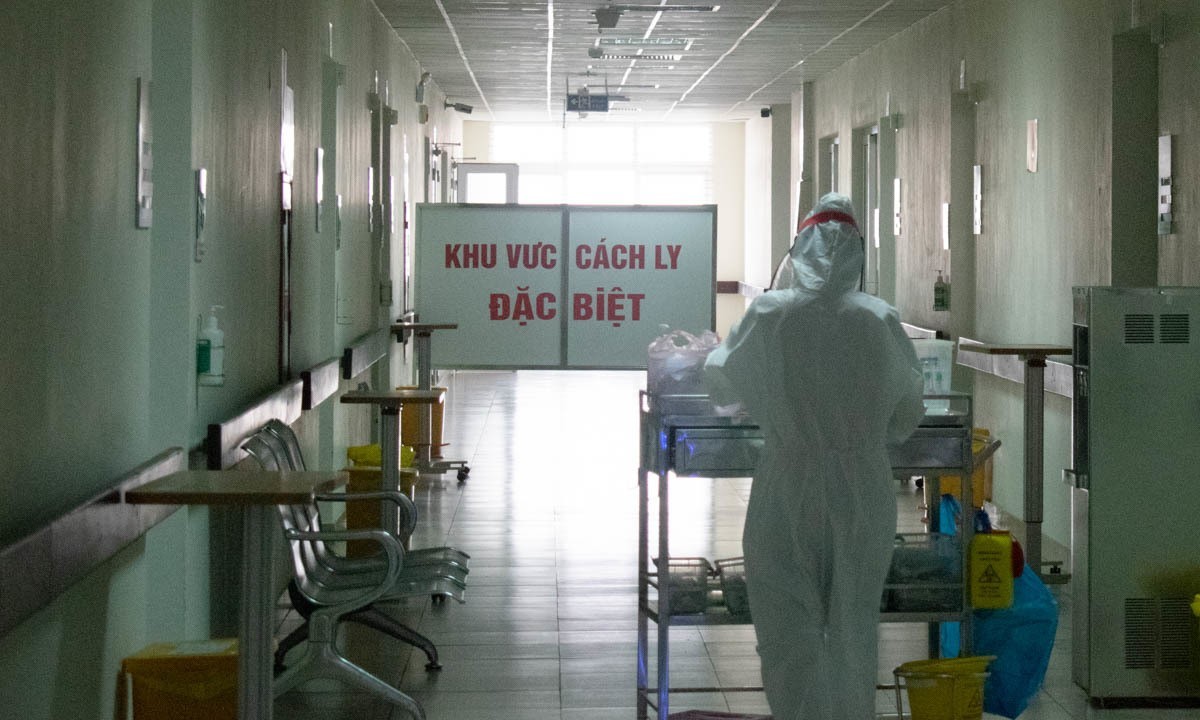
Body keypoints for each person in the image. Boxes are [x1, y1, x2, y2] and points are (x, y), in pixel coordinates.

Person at [704, 192, 925, 720]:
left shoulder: (769, 313)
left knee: (785, 626)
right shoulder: (878, 319)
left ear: (799, 249)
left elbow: (720, 384)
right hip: (861, 487)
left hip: (788, 482)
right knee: (854, 625)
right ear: (858, 254)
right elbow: (906, 418)